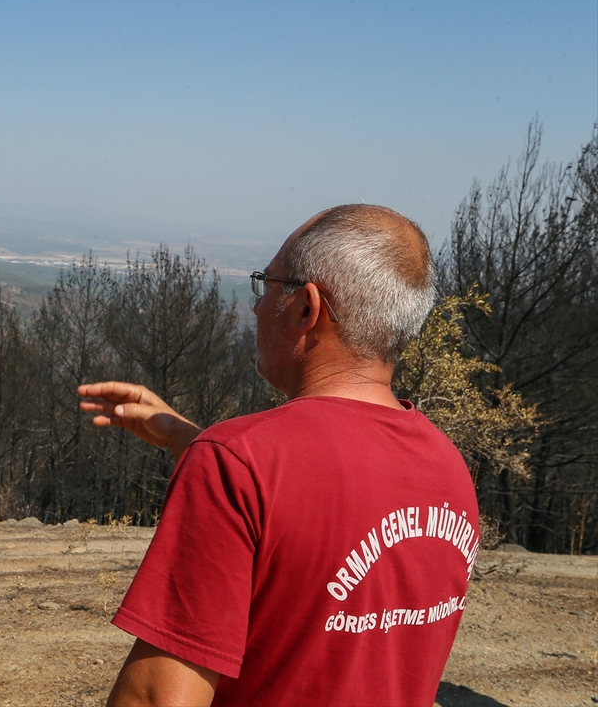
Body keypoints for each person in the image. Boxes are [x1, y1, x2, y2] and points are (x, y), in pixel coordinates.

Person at [80, 205, 480, 706]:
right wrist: (192, 441)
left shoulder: (238, 463)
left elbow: (158, 698)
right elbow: (322, 511)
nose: (254, 308)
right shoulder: (448, 469)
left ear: (307, 308)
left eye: (265, 284)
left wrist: (219, 458)